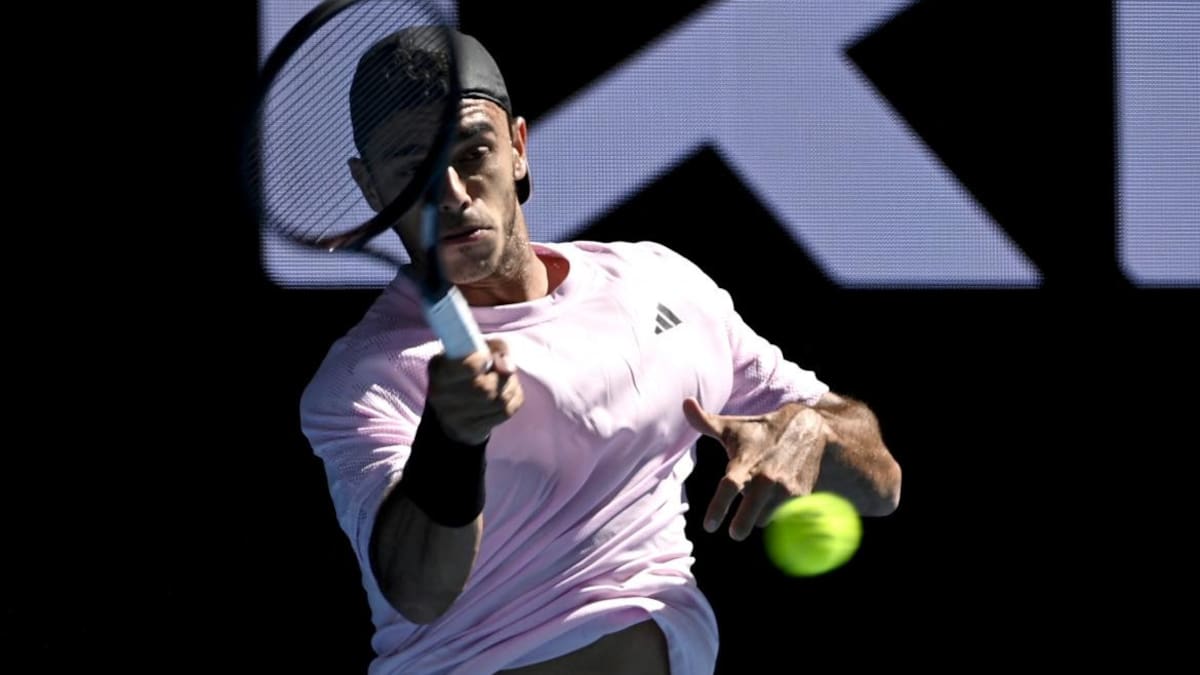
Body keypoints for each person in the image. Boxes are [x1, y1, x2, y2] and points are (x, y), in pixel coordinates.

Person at [299, 26, 902, 675]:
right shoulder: (366, 379)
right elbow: (418, 592)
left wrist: (809, 430)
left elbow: (881, 483)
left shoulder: (659, 283)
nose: (450, 191)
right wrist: (451, 438)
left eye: (473, 151)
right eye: (411, 166)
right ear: (370, 187)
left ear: (519, 149)